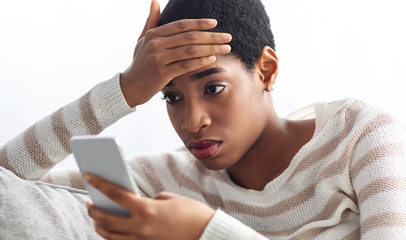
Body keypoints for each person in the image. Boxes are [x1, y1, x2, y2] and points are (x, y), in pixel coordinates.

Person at [1, 0, 406, 239]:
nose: (192, 121)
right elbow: (8, 183)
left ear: (265, 70)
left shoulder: (360, 136)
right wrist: (124, 90)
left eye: (213, 88)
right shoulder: (171, 178)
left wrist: (205, 231)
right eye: (171, 96)